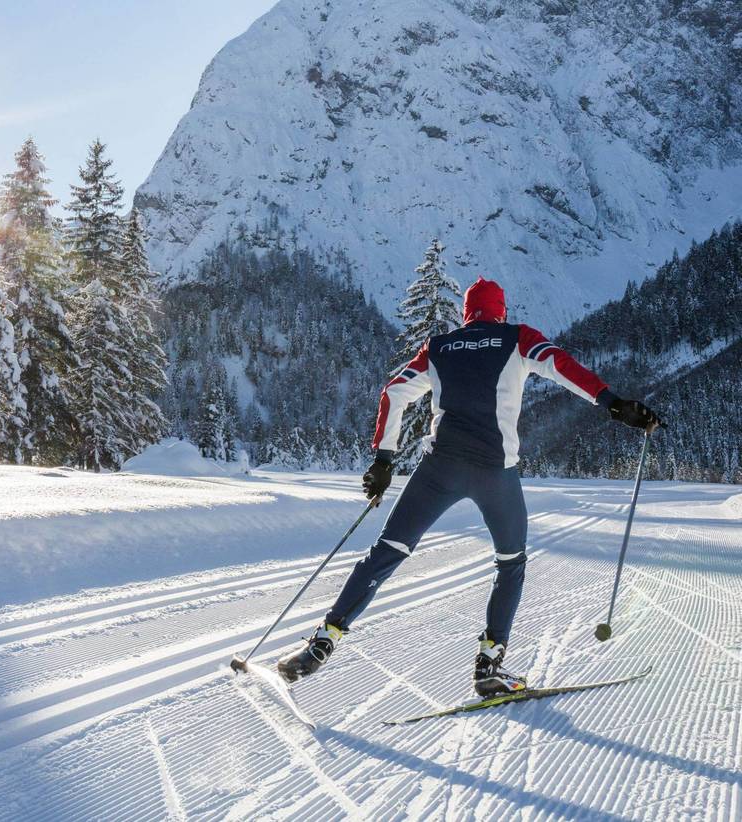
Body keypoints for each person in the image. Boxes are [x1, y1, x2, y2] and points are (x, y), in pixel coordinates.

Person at [277, 277, 665, 696]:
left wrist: (384, 460)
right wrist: (613, 404)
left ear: (466, 315)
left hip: (438, 470)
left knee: (386, 552)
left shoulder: (439, 348)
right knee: (511, 562)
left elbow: (393, 393)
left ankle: (323, 642)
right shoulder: (518, 338)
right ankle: (489, 664)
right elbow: (562, 367)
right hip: (494, 472)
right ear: (501, 311)